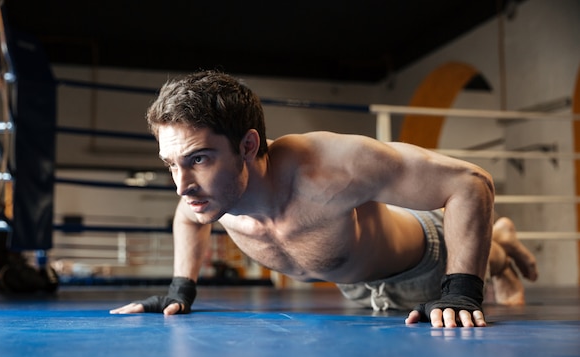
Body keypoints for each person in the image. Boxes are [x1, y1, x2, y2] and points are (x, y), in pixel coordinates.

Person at [110, 70, 538, 328]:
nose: (182, 185)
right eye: (171, 164)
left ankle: (501, 245)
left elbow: (469, 182)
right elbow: (186, 218)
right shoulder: (208, 194)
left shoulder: (331, 165)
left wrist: (461, 290)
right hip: (354, 283)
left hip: (421, 261)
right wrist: (180, 289)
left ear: (246, 145)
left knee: (491, 257)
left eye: (198, 159)